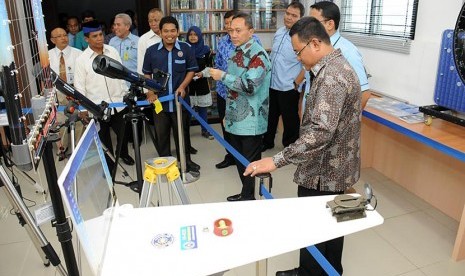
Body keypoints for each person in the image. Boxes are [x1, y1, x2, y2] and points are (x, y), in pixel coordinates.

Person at [244, 17, 361, 276]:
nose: (297, 58)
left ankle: (314, 273)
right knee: (329, 228)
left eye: (298, 51)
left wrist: (276, 160)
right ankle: (313, 270)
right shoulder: (335, 66)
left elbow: (320, 133)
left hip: (324, 172)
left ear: (315, 43)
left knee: (317, 226)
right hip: (331, 168)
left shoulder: (331, 77)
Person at [209, 12, 271, 201]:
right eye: (231, 31)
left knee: (250, 163)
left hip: (251, 122)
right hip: (236, 118)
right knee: (239, 160)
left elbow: (250, 87)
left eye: (238, 30)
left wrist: (222, 76)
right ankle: (247, 193)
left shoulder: (258, 55)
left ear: (251, 31)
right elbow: (232, 90)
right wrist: (228, 113)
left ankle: (249, 198)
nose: (233, 35)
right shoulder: (238, 51)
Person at [142, 16, 200, 175]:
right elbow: (146, 73)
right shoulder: (151, 51)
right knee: (162, 135)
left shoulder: (186, 48)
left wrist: (182, 86)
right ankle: (165, 163)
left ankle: (186, 160)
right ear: (160, 32)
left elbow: (191, 70)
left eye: (173, 31)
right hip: (159, 103)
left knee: (182, 133)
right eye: (166, 31)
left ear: (178, 32)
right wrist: (151, 90)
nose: (169, 34)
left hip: (180, 102)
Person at [74, 20, 134, 169]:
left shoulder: (112, 51)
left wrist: (125, 93)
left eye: (101, 34)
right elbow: (79, 86)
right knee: (104, 137)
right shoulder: (81, 60)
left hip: (118, 102)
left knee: (123, 133)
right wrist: (83, 109)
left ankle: (124, 154)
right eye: (95, 36)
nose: (99, 38)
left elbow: (121, 74)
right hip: (97, 107)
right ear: (87, 39)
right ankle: (110, 163)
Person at [212, 10, 262, 169]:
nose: (232, 31)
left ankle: (243, 166)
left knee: (245, 139)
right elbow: (218, 62)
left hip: (243, 95)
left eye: (236, 28)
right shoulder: (222, 42)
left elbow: (251, 81)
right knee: (227, 127)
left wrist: (224, 76)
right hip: (223, 91)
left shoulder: (255, 46)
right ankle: (231, 155)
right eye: (228, 27)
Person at [303, 1, 371, 109]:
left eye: (313, 23)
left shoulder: (349, 52)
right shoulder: (314, 46)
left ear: (330, 24)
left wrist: (343, 122)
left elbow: (364, 94)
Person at [262, 1, 305, 152]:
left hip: (288, 86)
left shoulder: (302, 37)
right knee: (270, 116)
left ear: (300, 18)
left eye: (294, 15)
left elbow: (307, 64)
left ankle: (290, 147)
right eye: (287, 13)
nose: (289, 17)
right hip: (272, 83)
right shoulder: (279, 32)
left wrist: (296, 83)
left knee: (290, 120)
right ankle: (267, 142)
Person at [48, 27, 83, 158]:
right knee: (60, 121)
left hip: (74, 90)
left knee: (78, 120)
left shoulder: (78, 53)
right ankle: (62, 148)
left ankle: (78, 148)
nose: (64, 38)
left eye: (65, 35)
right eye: (59, 36)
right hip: (57, 92)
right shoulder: (47, 56)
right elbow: (44, 78)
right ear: (52, 40)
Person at [187, 26, 214, 140]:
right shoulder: (184, 49)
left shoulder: (206, 50)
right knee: (187, 109)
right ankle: (184, 132)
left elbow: (210, 66)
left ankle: (205, 130)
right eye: (190, 34)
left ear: (199, 36)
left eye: (195, 34)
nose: (193, 37)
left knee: (203, 109)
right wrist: (189, 74)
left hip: (202, 82)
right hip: (188, 83)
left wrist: (202, 73)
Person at [137, 8, 163, 74]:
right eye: (150, 21)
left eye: (156, 20)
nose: (153, 23)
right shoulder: (143, 39)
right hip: (151, 81)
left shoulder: (170, 37)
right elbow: (141, 65)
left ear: (163, 20)